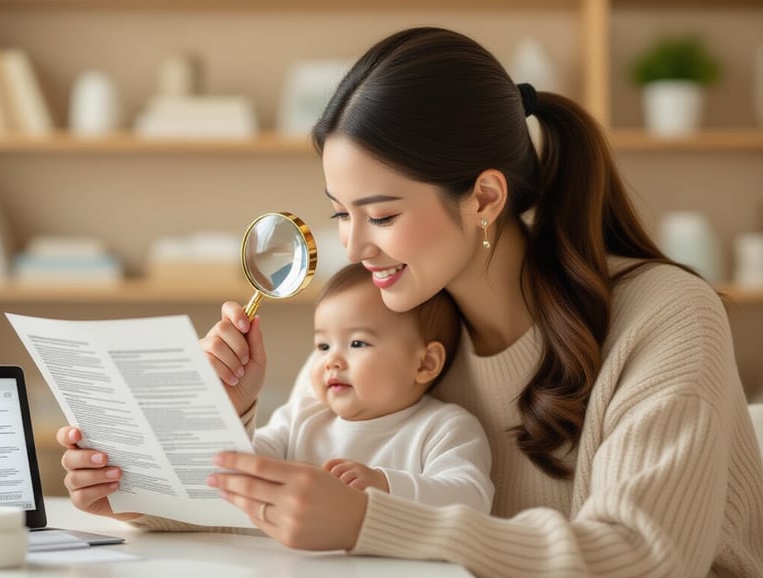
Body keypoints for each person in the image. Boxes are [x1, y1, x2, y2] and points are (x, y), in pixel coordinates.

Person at [57, 26, 763, 576]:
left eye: (383, 214)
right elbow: (290, 507)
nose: (355, 247)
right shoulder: (387, 318)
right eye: (340, 213)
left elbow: (642, 556)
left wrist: (371, 520)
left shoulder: (663, 316)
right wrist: (141, 483)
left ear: (485, 197)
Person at [252, 262, 493, 512]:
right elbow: (241, 464)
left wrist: (386, 485)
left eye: (357, 343)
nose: (331, 361)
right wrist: (238, 404)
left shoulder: (443, 428)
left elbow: (472, 497)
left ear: (425, 364)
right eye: (323, 346)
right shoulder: (300, 418)